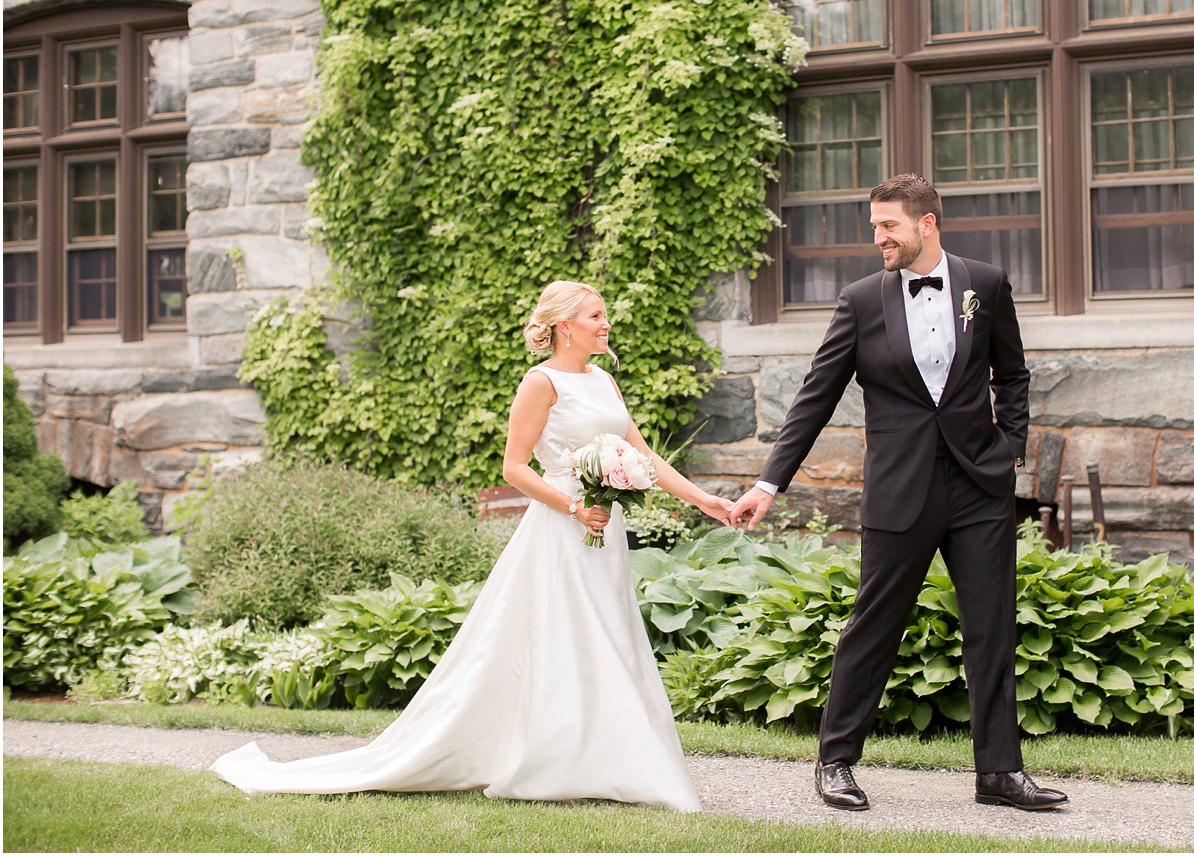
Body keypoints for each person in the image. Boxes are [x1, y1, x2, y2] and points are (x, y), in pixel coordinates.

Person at [213, 280, 732, 813]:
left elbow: (642, 456)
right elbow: (513, 466)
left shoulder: (603, 380)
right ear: (563, 326)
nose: (606, 324)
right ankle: (557, 763)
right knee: (567, 637)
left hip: (606, 529)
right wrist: (575, 507)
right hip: (563, 527)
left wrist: (704, 500)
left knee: (611, 635)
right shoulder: (541, 382)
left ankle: (607, 761)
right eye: (596, 316)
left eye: (604, 315)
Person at [729, 173, 1067, 813]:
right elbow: (814, 400)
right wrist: (768, 483)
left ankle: (999, 774)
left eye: (888, 226)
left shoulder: (985, 285)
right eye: (875, 225)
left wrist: (1010, 450)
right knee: (874, 624)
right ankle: (836, 762)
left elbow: (1012, 373)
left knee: (991, 628)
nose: (877, 236)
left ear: (927, 224)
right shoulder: (860, 301)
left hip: (977, 485)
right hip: (900, 488)